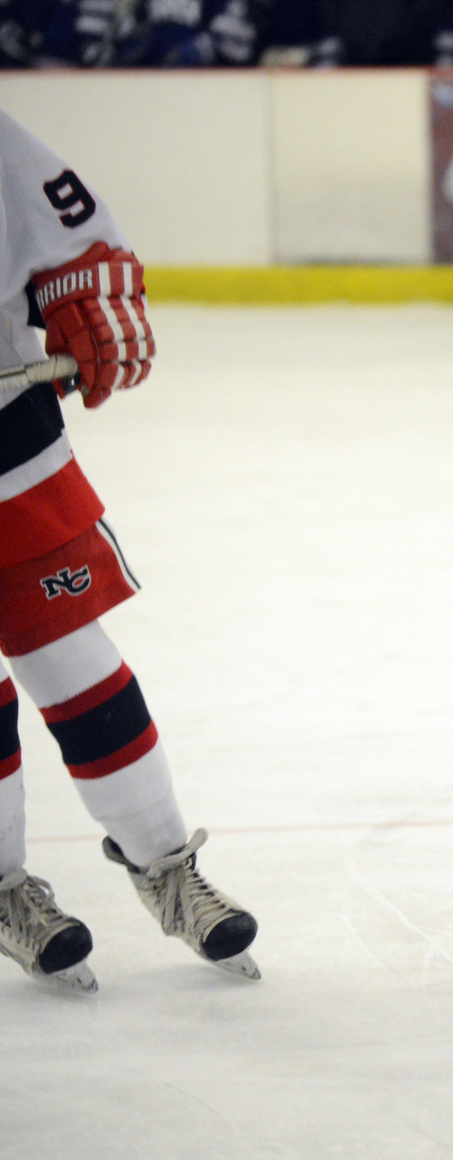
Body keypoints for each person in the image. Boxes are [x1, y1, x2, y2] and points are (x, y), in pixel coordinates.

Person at [0, 110, 260, 992]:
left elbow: (68, 221)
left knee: (70, 651)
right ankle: (3, 889)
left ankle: (165, 867)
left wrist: (89, 294)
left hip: (10, 446)